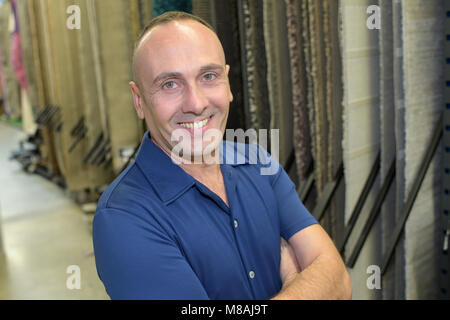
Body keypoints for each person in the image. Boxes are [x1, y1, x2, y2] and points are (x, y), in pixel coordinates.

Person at [92, 11, 352, 300]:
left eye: (208, 76)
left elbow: (339, 281)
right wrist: (295, 280)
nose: (196, 103)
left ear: (227, 83)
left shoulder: (258, 162)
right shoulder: (123, 218)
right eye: (170, 84)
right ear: (139, 100)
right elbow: (324, 281)